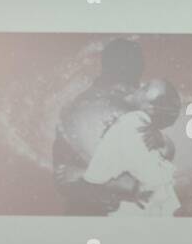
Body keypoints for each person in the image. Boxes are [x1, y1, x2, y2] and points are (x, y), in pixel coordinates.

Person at [54, 38, 154, 216]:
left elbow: (66, 178)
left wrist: (85, 175)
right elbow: (63, 178)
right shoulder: (83, 110)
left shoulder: (78, 107)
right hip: (98, 215)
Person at [82, 78, 183, 217]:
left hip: (132, 217)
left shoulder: (131, 123)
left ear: (150, 108)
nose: (140, 84)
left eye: (146, 87)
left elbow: (94, 179)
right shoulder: (146, 130)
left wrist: (76, 173)